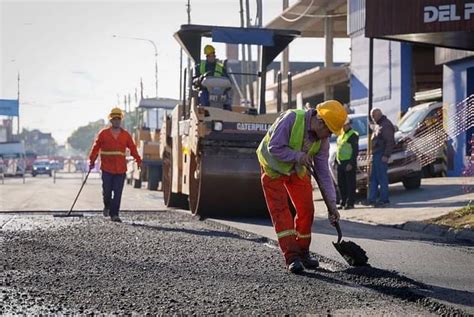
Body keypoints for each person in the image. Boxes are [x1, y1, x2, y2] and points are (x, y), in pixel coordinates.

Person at [256, 100, 347, 274]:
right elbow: (274, 147)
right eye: (328, 131)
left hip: (297, 170)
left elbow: (323, 173)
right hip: (272, 168)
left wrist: (332, 205)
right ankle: (292, 257)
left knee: (307, 210)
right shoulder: (292, 119)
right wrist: (297, 156)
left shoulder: (323, 141)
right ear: (320, 122)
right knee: (282, 213)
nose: (328, 136)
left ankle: (303, 252)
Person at [89, 107, 142, 222]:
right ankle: (107, 206)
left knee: (118, 193)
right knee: (107, 191)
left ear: (120, 120)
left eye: (118, 118)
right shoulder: (103, 134)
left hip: (120, 170)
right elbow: (95, 147)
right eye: (114, 119)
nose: (117, 120)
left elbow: (132, 148)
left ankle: (115, 214)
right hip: (107, 169)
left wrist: (138, 159)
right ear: (111, 120)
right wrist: (91, 160)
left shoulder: (125, 135)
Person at [368, 108, 395, 207]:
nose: (372, 118)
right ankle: (372, 199)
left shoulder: (385, 125)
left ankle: (384, 199)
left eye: (373, 116)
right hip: (376, 154)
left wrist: (386, 155)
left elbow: (390, 141)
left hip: (381, 154)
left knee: (382, 178)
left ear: (378, 115)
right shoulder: (379, 125)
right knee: (374, 178)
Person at [193, 44, 232, 110]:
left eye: (213, 55)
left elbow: (228, 81)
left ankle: (227, 113)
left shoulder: (221, 67)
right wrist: (199, 79)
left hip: (220, 92)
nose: (212, 57)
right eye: (210, 56)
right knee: (203, 96)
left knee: (227, 99)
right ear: (206, 56)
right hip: (206, 91)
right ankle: (204, 112)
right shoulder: (200, 66)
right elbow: (194, 80)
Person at [336, 118, 359, 210]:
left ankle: (350, 203)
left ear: (349, 125)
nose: (344, 127)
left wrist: (351, 163)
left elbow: (355, 151)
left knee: (350, 184)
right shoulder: (341, 135)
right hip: (340, 162)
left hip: (348, 162)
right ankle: (343, 201)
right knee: (341, 184)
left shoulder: (353, 135)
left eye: (345, 125)